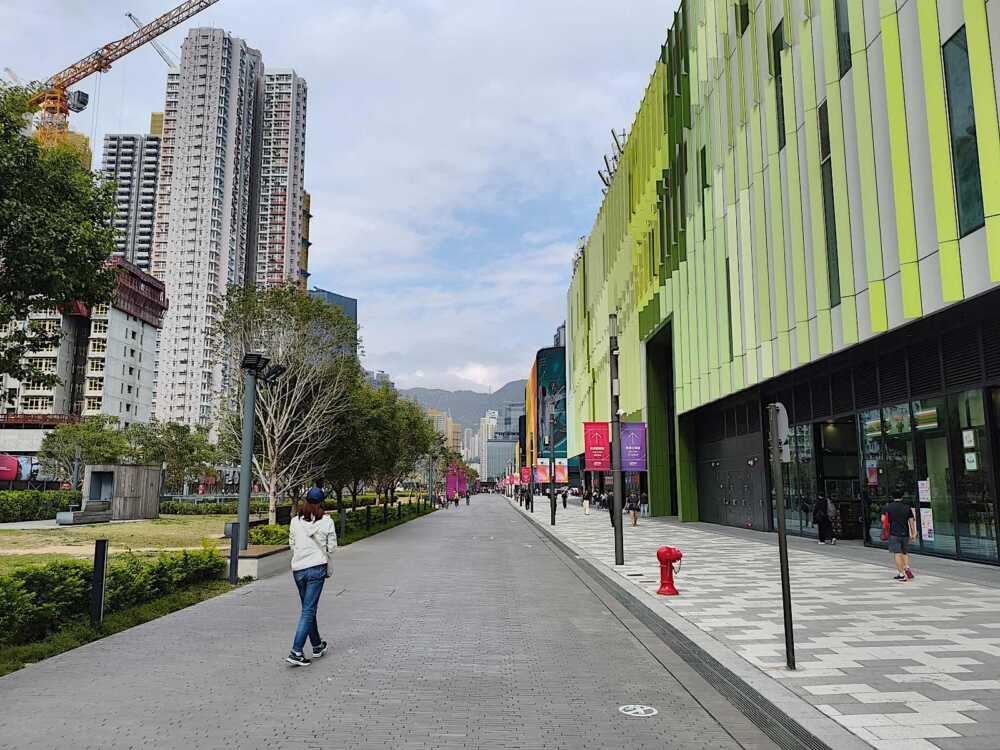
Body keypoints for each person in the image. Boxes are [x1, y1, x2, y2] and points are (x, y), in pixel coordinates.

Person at [286, 487, 337, 666]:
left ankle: (317, 645)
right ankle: (296, 651)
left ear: (306, 501)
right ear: (321, 503)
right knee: (308, 610)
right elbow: (332, 548)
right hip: (316, 569)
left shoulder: (295, 521)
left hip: (298, 570)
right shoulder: (327, 522)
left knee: (308, 608)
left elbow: (292, 544)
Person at [882, 489, 917, 582]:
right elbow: (911, 521)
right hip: (905, 533)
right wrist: (913, 533)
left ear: (892, 496)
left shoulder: (888, 507)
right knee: (904, 552)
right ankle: (906, 566)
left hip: (894, 533)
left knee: (897, 553)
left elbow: (883, 519)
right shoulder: (907, 507)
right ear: (902, 496)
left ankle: (901, 574)